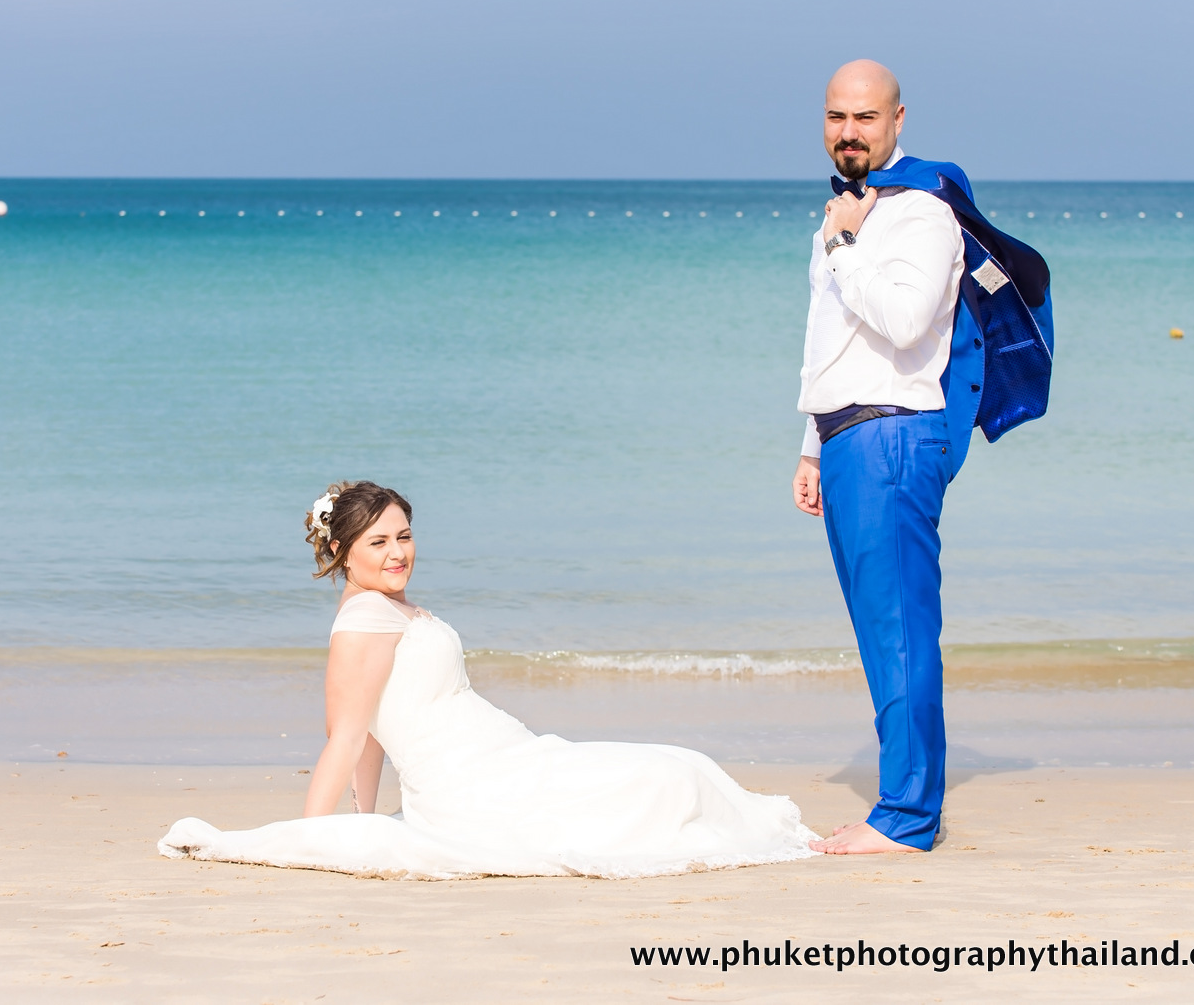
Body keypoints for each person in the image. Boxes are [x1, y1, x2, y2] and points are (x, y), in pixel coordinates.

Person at [159, 480, 818, 878]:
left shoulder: (385, 610)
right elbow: (348, 734)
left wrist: (365, 816)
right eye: (378, 543)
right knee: (669, 779)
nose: (398, 553)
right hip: (473, 785)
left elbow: (374, 733)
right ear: (341, 552)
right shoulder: (363, 619)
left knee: (677, 768)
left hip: (509, 760)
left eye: (404, 536)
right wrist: (315, 833)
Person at [793, 60, 965, 856]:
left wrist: (845, 242)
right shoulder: (845, 213)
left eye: (865, 117)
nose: (849, 131)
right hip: (847, 436)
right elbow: (828, 336)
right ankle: (902, 801)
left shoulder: (923, 213)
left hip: (893, 435)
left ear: (898, 119)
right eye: (837, 116)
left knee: (899, 629)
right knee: (878, 629)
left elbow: (902, 321)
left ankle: (906, 816)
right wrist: (811, 443)